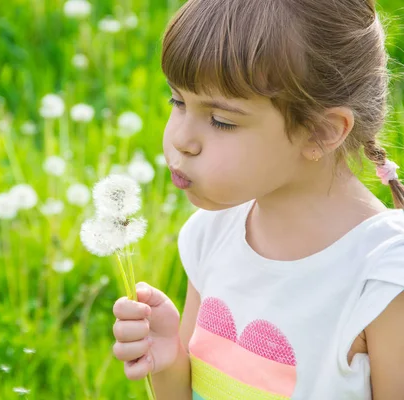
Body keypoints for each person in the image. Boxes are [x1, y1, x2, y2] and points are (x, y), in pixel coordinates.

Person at [111, 0, 404, 398]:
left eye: (221, 121)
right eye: (178, 102)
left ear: (321, 132)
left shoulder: (383, 277)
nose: (181, 139)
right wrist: (167, 359)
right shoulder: (212, 233)